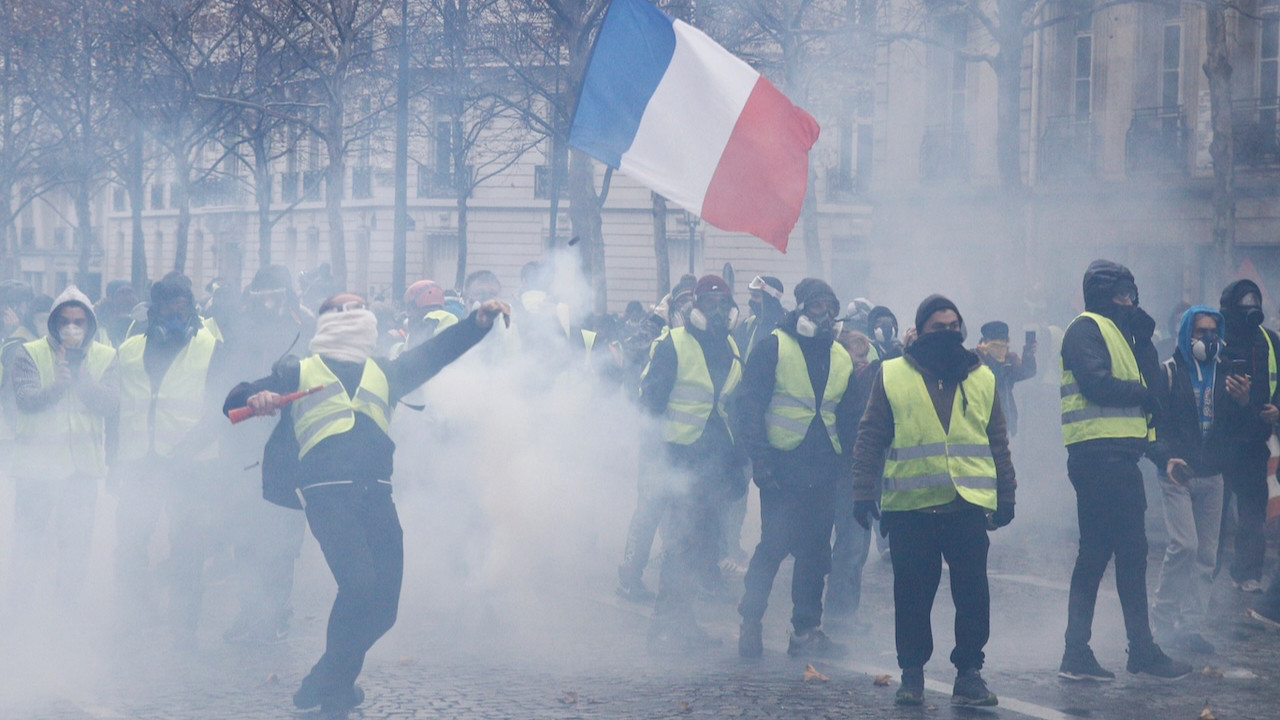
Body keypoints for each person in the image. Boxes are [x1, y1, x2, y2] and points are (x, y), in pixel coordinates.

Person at [225, 292, 509, 717]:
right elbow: (235, 399)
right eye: (345, 305)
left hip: (376, 492)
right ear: (325, 318)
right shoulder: (298, 370)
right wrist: (255, 398)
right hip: (326, 493)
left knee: (384, 607)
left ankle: (325, 678)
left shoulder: (386, 371)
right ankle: (335, 696)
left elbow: (437, 353)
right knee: (358, 586)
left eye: (361, 305)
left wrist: (476, 323)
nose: (356, 311)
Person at [850, 295, 1013, 707]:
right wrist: (861, 490)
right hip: (911, 510)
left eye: (953, 325)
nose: (947, 333)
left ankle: (970, 672)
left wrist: (1006, 493)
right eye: (938, 326)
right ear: (920, 330)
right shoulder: (891, 374)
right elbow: (871, 435)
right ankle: (912, 675)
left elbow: (997, 441)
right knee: (912, 596)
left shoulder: (982, 377)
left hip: (966, 506)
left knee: (973, 594)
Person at [1058, 259, 1191, 681]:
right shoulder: (1086, 328)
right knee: (1105, 555)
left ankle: (1120, 650)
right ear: (1101, 295)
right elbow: (1098, 384)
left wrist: (1160, 453)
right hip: (1098, 458)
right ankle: (1094, 652)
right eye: (1120, 294)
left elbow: (1144, 411)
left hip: (1120, 458)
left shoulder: (1126, 335)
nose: (1129, 301)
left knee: (1121, 555)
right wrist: (1145, 390)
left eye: (1132, 293)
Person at [734, 278, 858, 660]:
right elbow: (748, 406)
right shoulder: (773, 346)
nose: (825, 315)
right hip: (781, 467)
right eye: (818, 306)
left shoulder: (840, 356)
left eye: (831, 308)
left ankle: (805, 630)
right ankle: (750, 622)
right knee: (773, 547)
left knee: (816, 552)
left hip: (823, 470)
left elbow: (850, 416)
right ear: (801, 309)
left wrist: (851, 467)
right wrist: (759, 459)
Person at [113, 274, 230, 649]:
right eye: (169, 306)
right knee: (130, 543)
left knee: (188, 548)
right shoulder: (129, 349)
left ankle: (184, 625)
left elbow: (219, 411)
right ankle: (133, 616)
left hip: (191, 466)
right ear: (154, 310)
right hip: (139, 463)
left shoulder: (212, 348)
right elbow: (117, 411)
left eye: (184, 305)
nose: (177, 314)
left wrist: (189, 448)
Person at [638, 275, 745, 650]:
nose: (717, 311)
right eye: (709, 303)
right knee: (681, 544)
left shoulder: (730, 346)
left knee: (701, 547)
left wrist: (735, 465)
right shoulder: (673, 344)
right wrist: (658, 461)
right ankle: (665, 627)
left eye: (723, 303)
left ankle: (681, 623)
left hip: (713, 464)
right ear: (695, 308)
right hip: (679, 460)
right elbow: (650, 403)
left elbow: (729, 410)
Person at [5, 287, 118, 614]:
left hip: (81, 473)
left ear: (89, 324)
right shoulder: (30, 352)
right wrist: (56, 387)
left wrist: (82, 380)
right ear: (54, 323)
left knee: (75, 548)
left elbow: (110, 404)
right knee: (27, 544)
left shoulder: (105, 356)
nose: (72, 328)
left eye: (79, 322)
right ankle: (18, 611)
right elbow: (25, 401)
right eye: (65, 321)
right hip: (35, 473)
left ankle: (64, 612)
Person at [219, 265, 314, 645]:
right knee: (244, 537)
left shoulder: (304, 329)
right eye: (261, 291)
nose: (267, 299)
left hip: (288, 443)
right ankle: (250, 610)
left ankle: (275, 612)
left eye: (275, 291)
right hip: (243, 443)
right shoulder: (237, 331)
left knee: (280, 539)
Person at [1147, 306, 1231, 655]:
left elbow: (1239, 427)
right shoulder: (1168, 373)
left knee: (1207, 555)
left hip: (1213, 474)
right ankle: (1163, 621)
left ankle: (1192, 625)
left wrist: (1243, 401)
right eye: (1200, 332)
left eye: (1213, 331)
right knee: (1185, 545)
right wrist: (1166, 458)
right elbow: (1152, 423)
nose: (1208, 338)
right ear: (1186, 335)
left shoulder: (1226, 374)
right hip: (1178, 473)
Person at [1216, 280, 1280, 593]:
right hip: (1217, 442)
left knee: (1253, 513)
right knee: (1214, 512)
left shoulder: (1271, 341)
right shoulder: (1214, 339)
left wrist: (1277, 411)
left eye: (1255, 298)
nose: (1251, 304)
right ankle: (1207, 572)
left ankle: (1248, 574)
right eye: (1245, 299)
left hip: (1255, 443)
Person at [824, 328, 876, 633]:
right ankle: (839, 615)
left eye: (867, 356)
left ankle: (845, 613)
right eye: (858, 356)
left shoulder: (864, 381)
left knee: (857, 546)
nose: (863, 362)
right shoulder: (844, 381)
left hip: (861, 473)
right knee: (850, 546)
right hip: (846, 473)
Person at [975, 320, 1037, 437]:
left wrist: (1028, 353)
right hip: (982, 421)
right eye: (995, 344)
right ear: (985, 342)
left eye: (1003, 342)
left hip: (1005, 421)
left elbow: (1027, 372)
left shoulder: (1010, 360)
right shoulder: (976, 360)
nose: (1000, 347)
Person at [734, 275, 786, 362]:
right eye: (751, 295)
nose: (752, 301)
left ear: (770, 300)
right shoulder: (749, 324)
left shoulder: (783, 327)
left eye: (756, 296)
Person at [399, 279, 458, 354]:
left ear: (418, 303)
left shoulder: (437, 319)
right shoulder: (448, 319)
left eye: (409, 309)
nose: (409, 314)